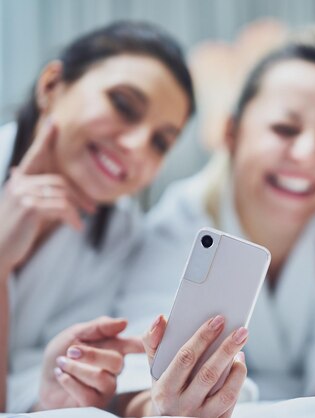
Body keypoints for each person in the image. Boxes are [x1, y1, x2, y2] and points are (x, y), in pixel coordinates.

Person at [115, 25, 315, 401]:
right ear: (231, 132)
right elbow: (141, 373)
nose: (307, 153)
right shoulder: (181, 222)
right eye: (284, 128)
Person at [0, 21, 247, 416]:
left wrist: (56, 387)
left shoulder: (119, 232)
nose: (135, 147)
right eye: (124, 105)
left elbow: (27, 381)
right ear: (51, 85)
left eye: (159, 141)